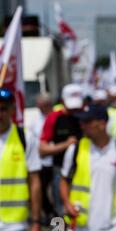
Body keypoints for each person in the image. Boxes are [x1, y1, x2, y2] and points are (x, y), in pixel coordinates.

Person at [59, 104, 116, 231]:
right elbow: (63, 180)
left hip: (111, 229)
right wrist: (67, 203)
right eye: (81, 122)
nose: (82, 125)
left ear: (102, 123)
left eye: (87, 122)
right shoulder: (75, 149)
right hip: (80, 228)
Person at [0, 88, 42, 231]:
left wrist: (36, 224)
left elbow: (35, 182)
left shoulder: (25, 138)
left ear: (12, 110)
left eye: (3, 109)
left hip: (12, 229)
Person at [39, 84, 84, 217]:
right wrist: (66, 145)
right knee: (60, 211)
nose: (75, 111)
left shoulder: (86, 116)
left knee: (79, 208)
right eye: (72, 107)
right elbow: (42, 150)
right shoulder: (54, 118)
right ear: (63, 101)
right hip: (60, 169)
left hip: (82, 170)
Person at [29, 93, 55, 222]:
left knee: (55, 193)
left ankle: (58, 223)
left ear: (47, 105)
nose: (38, 108)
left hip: (54, 161)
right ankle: (50, 213)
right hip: (40, 160)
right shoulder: (36, 118)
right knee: (41, 189)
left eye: (41, 106)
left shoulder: (55, 116)